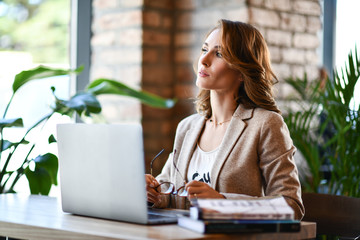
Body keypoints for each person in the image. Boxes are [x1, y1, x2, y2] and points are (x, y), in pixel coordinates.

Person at [145, 19, 305, 220]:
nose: (204, 60)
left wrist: (222, 202)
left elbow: (291, 205)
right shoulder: (187, 127)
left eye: (219, 54)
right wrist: (155, 195)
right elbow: (170, 189)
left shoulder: (265, 124)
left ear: (242, 71)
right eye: (205, 49)